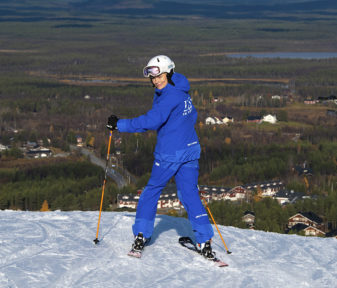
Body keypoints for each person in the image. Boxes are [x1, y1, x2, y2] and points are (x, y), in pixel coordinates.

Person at [107, 55, 215, 259]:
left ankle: (141, 235)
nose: (155, 81)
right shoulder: (182, 90)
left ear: (169, 73)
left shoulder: (169, 96)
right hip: (190, 150)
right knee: (189, 194)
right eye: (152, 77)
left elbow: (150, 121)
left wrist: (119, 125)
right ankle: (204, 240)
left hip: (170, 154)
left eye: (160, 76)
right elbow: (191, 117)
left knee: (151, 191)